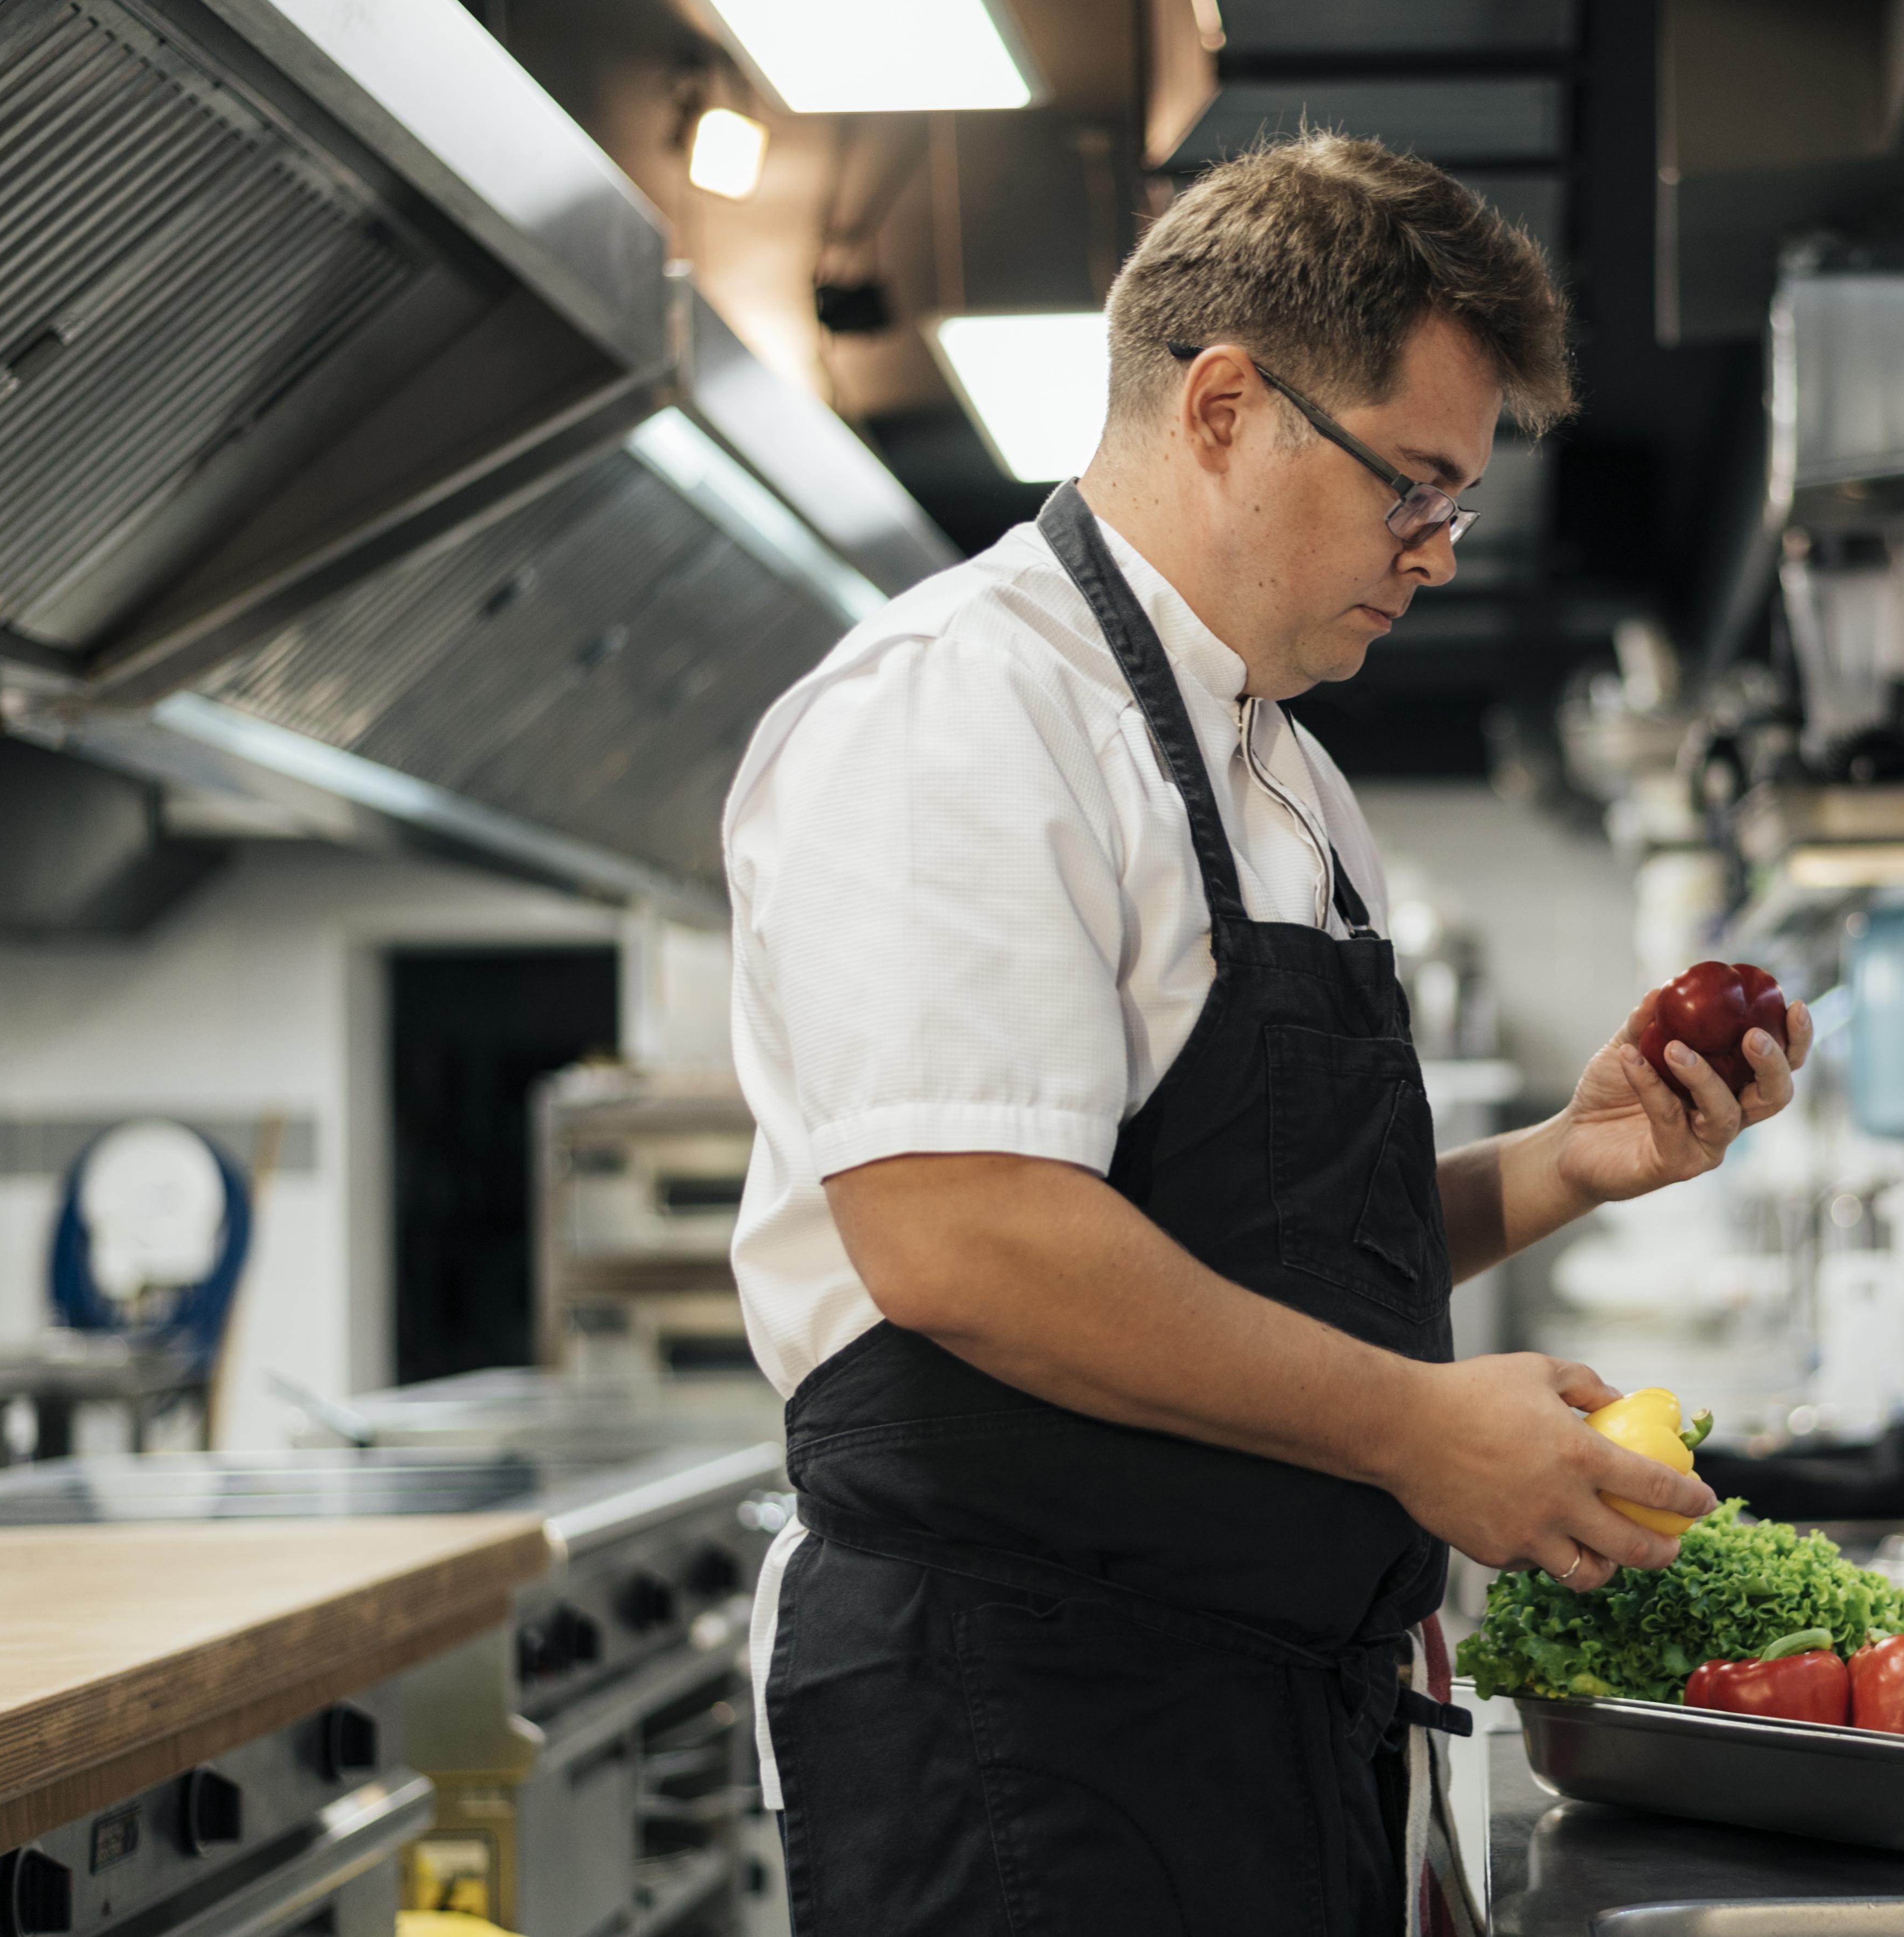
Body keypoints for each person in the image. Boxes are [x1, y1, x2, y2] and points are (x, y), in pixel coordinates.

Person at [722, 132, 1812, 1937]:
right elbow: (966, 1239)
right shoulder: (964, 710)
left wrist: (1565, 1165)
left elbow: (1265, 1254)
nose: (1438, 556)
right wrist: (1416, 1428)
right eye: (1413, 489)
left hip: (1267, 1722)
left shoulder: (1286, 776)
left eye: (1457, 508)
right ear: (1226, 407)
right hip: (1029, 1733)